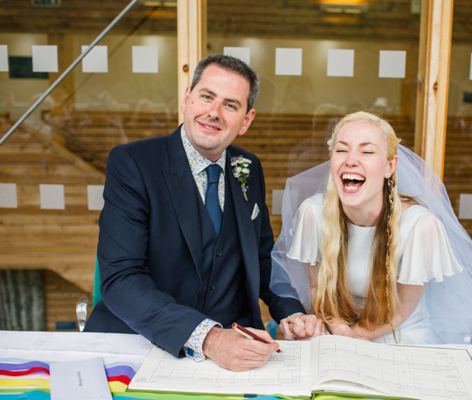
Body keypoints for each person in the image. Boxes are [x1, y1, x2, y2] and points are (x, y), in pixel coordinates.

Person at [84, 54, 322, 371]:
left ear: (246, 120)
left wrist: (290, 312)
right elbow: (121, 279)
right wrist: (207, 338)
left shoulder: (248, 168)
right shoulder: (133, 164)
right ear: (187, 98)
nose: (213, 112)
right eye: (206, 97)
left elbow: (262, 257)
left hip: (232, 357)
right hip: (141, 346)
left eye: (230, 105)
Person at [272, 111, 472, 345]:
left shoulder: (419, 226)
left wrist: (354, 338)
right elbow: (316, 288)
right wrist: (341, 333)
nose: (351, 160)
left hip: (401, 334)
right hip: (339, 331)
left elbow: (401, 309)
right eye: (341, 150)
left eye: (367, 151)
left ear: (390, 166)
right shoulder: (313, 214)